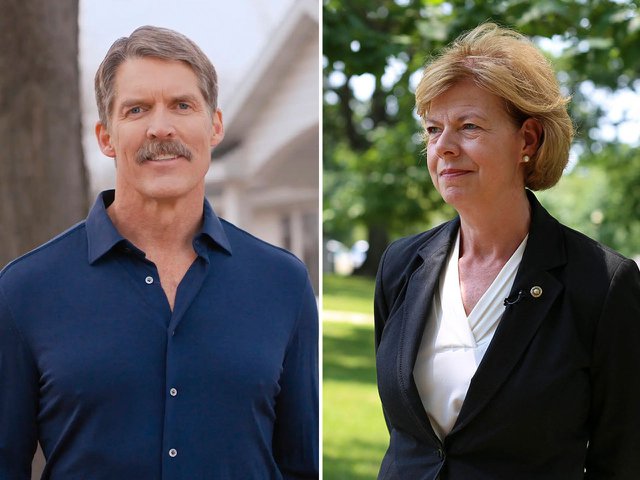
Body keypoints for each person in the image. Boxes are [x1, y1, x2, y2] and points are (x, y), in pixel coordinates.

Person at [0, 26, 318, 479]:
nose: (161, 126)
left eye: (182, 105)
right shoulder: (24, 290)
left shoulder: (284, 283)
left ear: (215, 126)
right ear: (106, 137)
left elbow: (302, 465)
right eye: (137, 109)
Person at [374, 23, 640, 479]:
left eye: (469, 127)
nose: (444, 148)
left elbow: (624, 458)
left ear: (528, 140)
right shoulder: (401, 265)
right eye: (433, 129)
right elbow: (408, 440)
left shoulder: (602, 284)